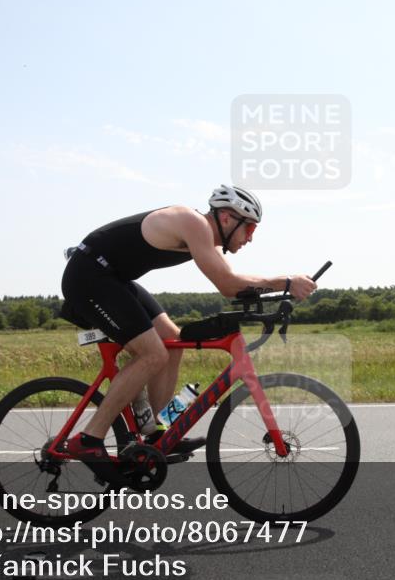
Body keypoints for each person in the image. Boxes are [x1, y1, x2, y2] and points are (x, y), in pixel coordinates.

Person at [61, 185, 317, 484]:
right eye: (248, 227)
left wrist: (272, 298)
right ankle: (90, 439)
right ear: (226, 218)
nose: (251, 237)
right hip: (90, 276)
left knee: (173, 340)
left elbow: (237, 284)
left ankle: (154, 433)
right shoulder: (193, 223)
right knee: (152, 353)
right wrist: (286, 282)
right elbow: (228, 283)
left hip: (112, 277)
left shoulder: (202, 233)